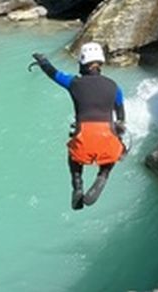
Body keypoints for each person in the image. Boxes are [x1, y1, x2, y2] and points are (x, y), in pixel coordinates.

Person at [32, 42, 126, 210]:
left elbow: (54, 73)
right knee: (116, 149)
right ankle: (103, 176)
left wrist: (43, 61)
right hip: (107, 143)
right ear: (101, 62)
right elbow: (121, 117)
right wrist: (119, 134)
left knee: (73, 154)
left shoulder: (74, 83)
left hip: (83, 140)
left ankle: (77, 185)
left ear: (83, 62)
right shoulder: (114, 86)